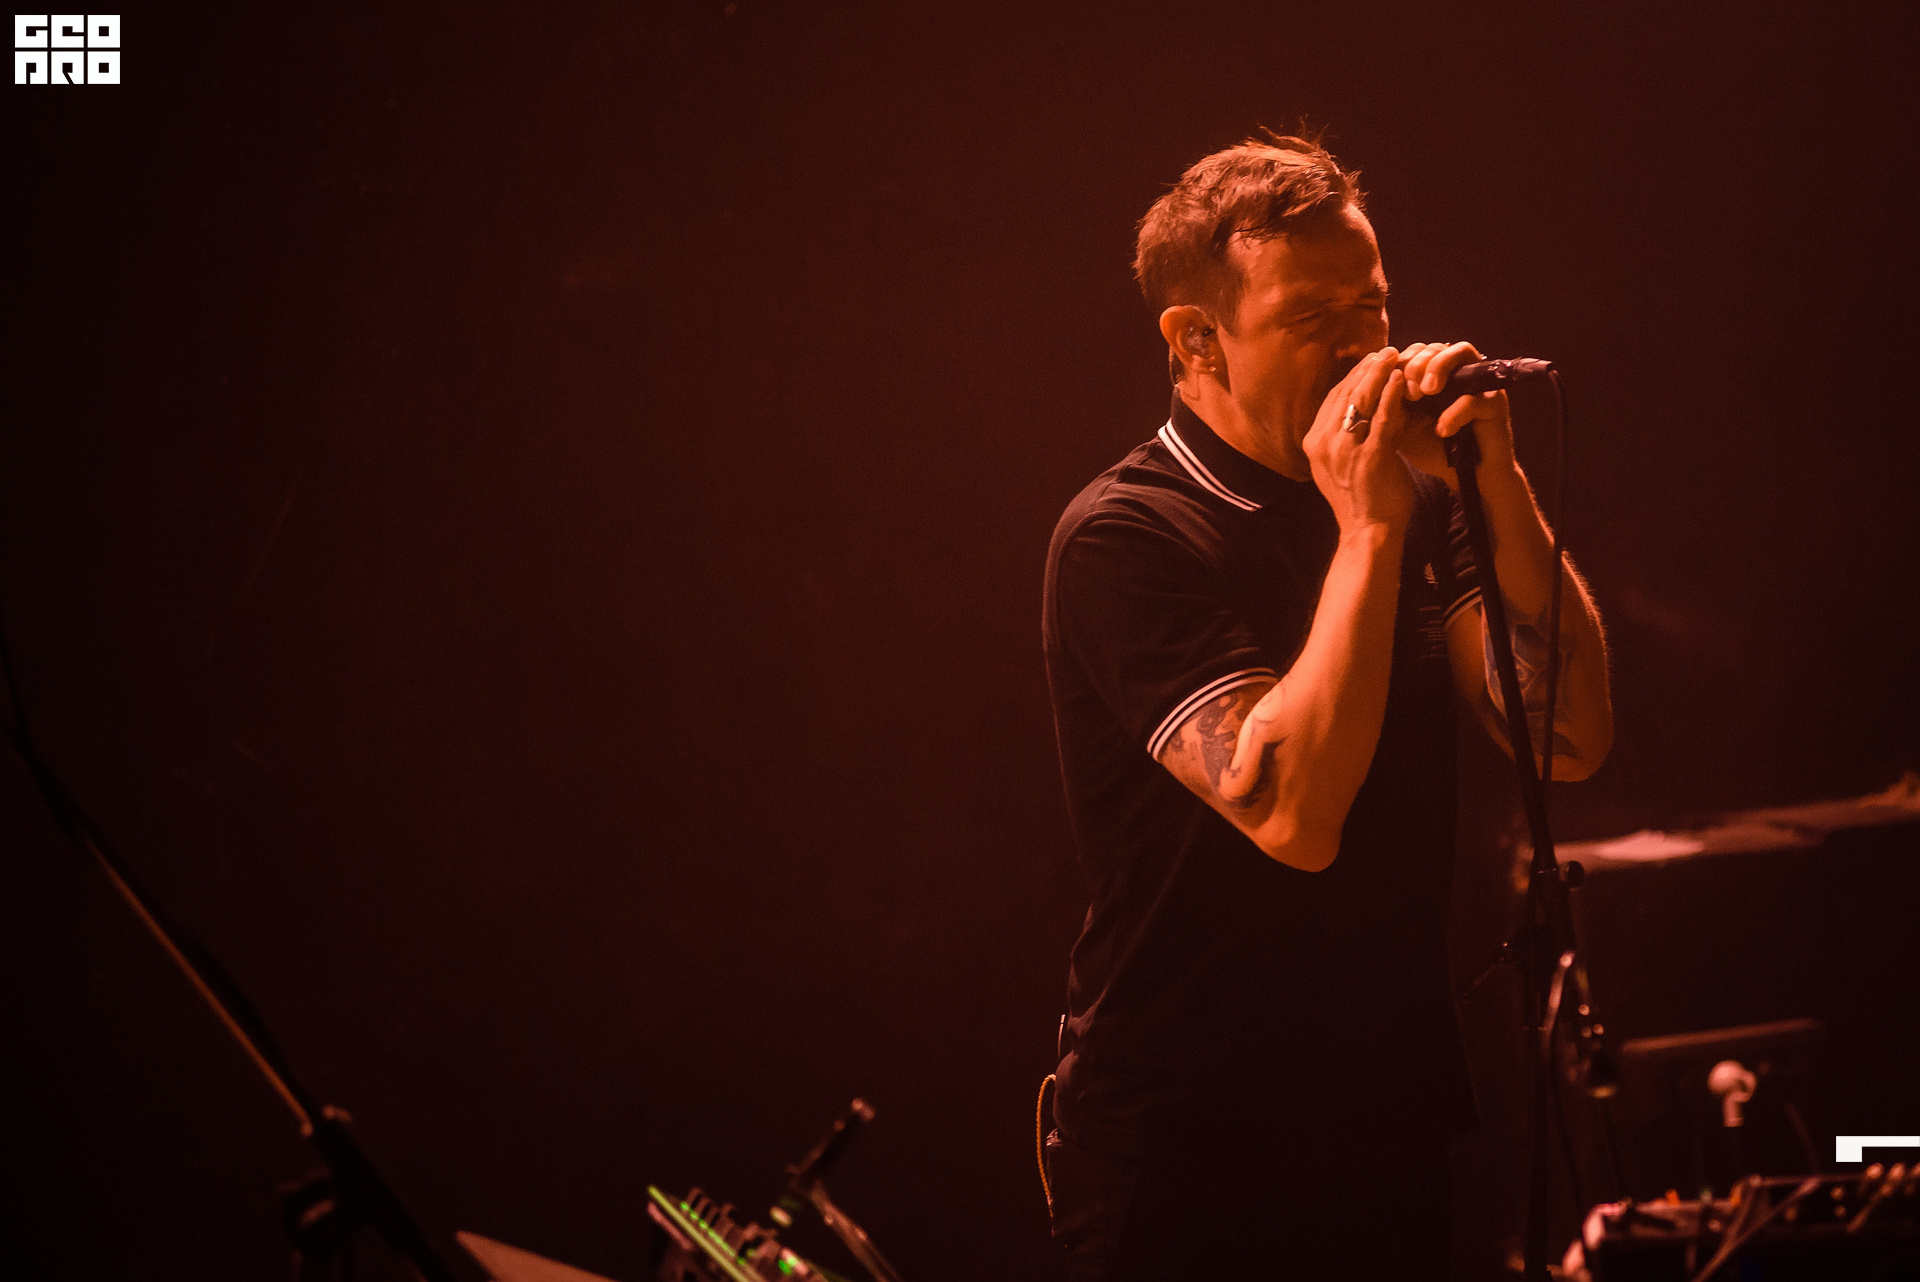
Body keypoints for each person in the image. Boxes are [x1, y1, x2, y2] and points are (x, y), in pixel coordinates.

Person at [1039, 132, 1613, 1278]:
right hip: (1187, 1150)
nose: (1365, 346)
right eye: (1314, 318)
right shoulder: (1125, 535)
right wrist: (1372, 528)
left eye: (1373, 305)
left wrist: (1495, 480)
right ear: (1196, 340)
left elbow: (1569, 738)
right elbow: (1295, 816)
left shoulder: (1407, 497)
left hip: (1385, 1117)